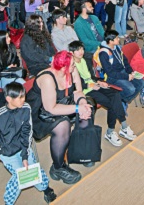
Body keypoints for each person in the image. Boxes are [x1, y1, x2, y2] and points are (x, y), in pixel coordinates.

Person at [25, 51, 93, 184]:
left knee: (88, 107)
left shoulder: (71, 70)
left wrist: (83, 104)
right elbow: (51, 108)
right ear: (63, 68)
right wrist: (77, 108)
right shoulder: (48, 78)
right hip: (40, 112)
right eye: (72, 65)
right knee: (63, 125)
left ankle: (80, 152)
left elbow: (78, 91)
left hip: (62, 102)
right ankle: (58, 167)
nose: (74, 67)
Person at [0, 82, 57, 204]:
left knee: (33, 167)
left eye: (24, 96)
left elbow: (27, 132)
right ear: (9, 99)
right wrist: (2, 149)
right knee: (19, 177)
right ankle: (8, 202)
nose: (23, 100)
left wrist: (25, 154)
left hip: (22, 147)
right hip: (7, 151)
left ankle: (45, 188)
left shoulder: (25, 108)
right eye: (20, 97)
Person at [69, 41, 136, 146]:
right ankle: (117, 129)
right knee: (113, 103)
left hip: (94, 85)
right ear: (71, 52)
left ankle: (119, 128)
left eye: (82, 49)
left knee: (116, 94)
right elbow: (73, 86)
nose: (81, 52)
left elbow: (91, 77)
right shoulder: (71, 65)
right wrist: (90, 86)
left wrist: (99, 81)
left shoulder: (85, 60)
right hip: (84, 92)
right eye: (77, 50)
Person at [97, 30, 144, 109]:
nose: (119, 39)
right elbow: (110, 73)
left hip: (123, 72)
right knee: (131, 89)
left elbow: (125, 61)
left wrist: (131, 72)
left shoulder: (117, 48)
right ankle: (117, 100)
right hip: (112, 77)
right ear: (111, 41)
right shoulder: (103, 53)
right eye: (116, 38)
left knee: (141, 83)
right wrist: (127, 77)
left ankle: (123, 100)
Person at [73, 0, 105, 67]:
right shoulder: (78, 23)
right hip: (91, 48)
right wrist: (101, 43)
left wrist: (107, 40)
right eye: (90, 7)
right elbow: (85, 41)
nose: (92, 8)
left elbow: (102, 32)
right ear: (84, 9)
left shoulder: (95, 18)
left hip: (102, 43)